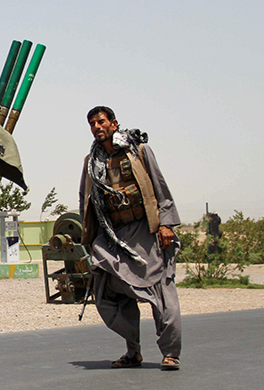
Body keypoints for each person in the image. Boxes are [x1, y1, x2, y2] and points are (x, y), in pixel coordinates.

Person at [79, 106, 182, 371]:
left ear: (114, 123)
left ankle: (170, 352)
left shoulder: (139, 151)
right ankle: (133, 351)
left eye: (101, 121)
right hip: (113, 236)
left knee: (162, 293)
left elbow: (160, 187)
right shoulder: (91, 161)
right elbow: (85, 199)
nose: (96, 127)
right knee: (106, 292)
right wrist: (89, 236)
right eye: (92, 123)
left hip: (145, 232)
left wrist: (166, 224)